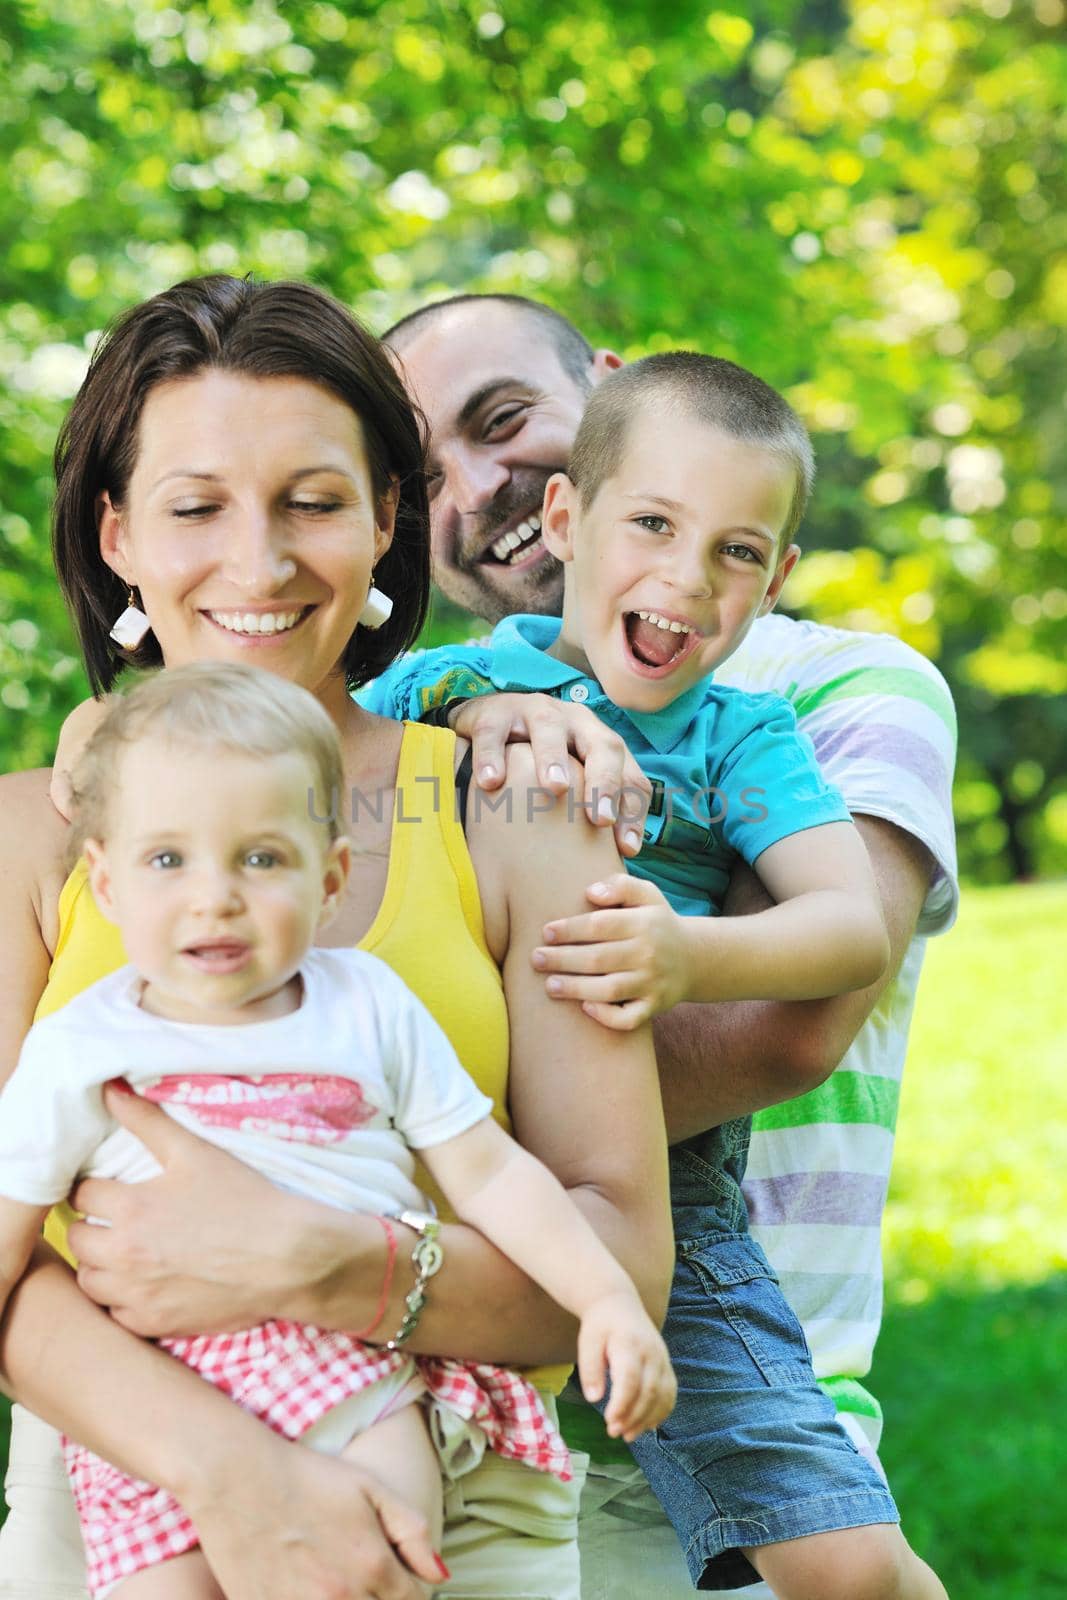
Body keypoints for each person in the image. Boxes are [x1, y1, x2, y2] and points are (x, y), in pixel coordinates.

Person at [0, 274, 676, 1600]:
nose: (258, 565)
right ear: (118, 533)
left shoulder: (512, 810)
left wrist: (334, 1268)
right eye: (197, 508)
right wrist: (229, 1474)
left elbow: (623, 1254)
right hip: (118, 1497)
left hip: (462, 1509)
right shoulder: (31, 837)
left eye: (313, 501)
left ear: (386, 515)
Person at [378, 293, 959, 1598]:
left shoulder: (786, 709)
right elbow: (254, 774)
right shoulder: (441, 690)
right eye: (423, 467)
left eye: (507, 417)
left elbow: (820, 980)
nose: (686, 579)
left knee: (846, 1560)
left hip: (677, 1231)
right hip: (468, 1410)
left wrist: (685, 956)